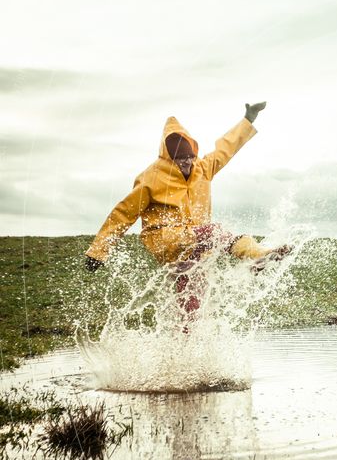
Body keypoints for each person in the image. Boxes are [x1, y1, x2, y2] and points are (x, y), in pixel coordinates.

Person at [84, 102, 291, 321]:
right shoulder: (151, 178)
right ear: (169, 157)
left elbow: (225, 149)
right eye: (181, 159)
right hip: (166, 240)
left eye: (190, 157)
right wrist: (98, 251)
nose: (187, 163)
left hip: (194, 244)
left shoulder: (201, 168)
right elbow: (123, 214)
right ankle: (256, 256)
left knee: (192, 300)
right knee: (214, 232)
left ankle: (182, 347)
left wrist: (248, 119)